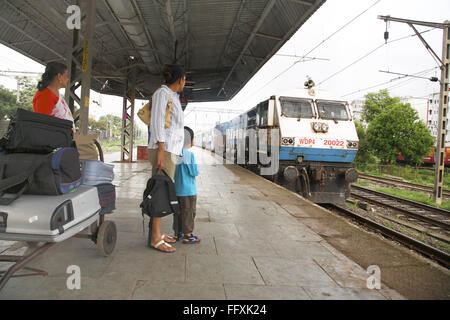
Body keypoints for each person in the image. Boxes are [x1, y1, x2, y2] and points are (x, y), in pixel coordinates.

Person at [147, 64, 186, 253]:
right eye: (184, 79)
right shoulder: (162, 94)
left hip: (170, 150)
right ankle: (155, 237)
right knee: (160, 192)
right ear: (180, 80)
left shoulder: (172, 96)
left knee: (162, 190)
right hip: (164, 150)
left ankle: (157, 232)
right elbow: (157, 123)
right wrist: (161, 151)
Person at [173, 126, 200, 244]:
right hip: (188, 191)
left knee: (178, 212)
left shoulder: (174, 153)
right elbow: (194, 172)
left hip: (177, 189)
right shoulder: (189, 154)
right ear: (190, 140)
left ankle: (177, 233)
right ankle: (187, 235)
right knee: (188, 213)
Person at [32, 62, 74, 126]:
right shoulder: (45, 95)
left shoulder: (55, 94)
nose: (68, 79)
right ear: (59, 76)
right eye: (66, 75)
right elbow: (41, 124)